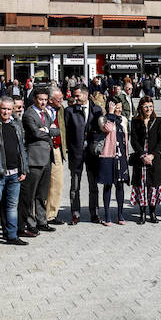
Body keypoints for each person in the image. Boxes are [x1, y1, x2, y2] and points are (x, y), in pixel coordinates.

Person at [0, 97, 29, 248]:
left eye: (9, 109)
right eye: (3, 109)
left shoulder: (16, 125)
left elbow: (21, 149)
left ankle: (11, 235)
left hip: (15, 174)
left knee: (12, 206)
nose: (6, 112)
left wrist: (24, 168)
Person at [19, 88, 56, 237]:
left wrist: (46, 130)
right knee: (30, 193)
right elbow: (35, 133)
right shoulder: (29, 114)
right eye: (40, 99)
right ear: (34, 99)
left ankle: (42, 221)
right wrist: (48, 132)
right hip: (34, 159)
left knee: (42, 193)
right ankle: (30, 222)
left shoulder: (46, 113)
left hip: (47, 157)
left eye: (45, 100)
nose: (43, 102)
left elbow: (56, 130)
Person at [64, 86, 104, 224]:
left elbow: (102, 130)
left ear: (86, 95)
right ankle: (75, 213)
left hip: (93, 153)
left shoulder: (97, 110)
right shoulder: (69, 111)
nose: (75, 99)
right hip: (76, 153)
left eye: (77, 96)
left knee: (93, 185)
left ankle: (95, 213)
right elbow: (67, 133)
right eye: (74, 96)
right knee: (75, 186)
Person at [129, 97, 161, 224]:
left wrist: (152, 155)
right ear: (141, 108)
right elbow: (133, 139)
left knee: (153, 186)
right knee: (142, 186)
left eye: (151, 106)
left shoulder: (158, 121)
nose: (149, 109)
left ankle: (153, 212)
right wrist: (142, 155)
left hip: (154, 159)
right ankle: (142, 213)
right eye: (146, 106)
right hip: (141, 159)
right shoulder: (135, 121)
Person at [97, 99, 129, 225]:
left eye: (120, 108)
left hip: (121, 156)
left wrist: (126, 155)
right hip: (108, 156)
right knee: (108, 185)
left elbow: (126, 139)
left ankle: (120, 215)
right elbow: (108, 128)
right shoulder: (103, 119)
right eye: (116, 108)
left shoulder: (124, 120)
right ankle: (107, 216)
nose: (119, 110)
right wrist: (110, 114)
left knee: (120, 185)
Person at [44, 87, 67, 225]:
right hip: (42, 150)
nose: (61, 101)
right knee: (42, 185)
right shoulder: (40, 110)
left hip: (57, 149)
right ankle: (37, 215)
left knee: (57, 183)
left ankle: (51, 214)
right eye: (59, 99)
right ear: (51, 100)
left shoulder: (61, 110)